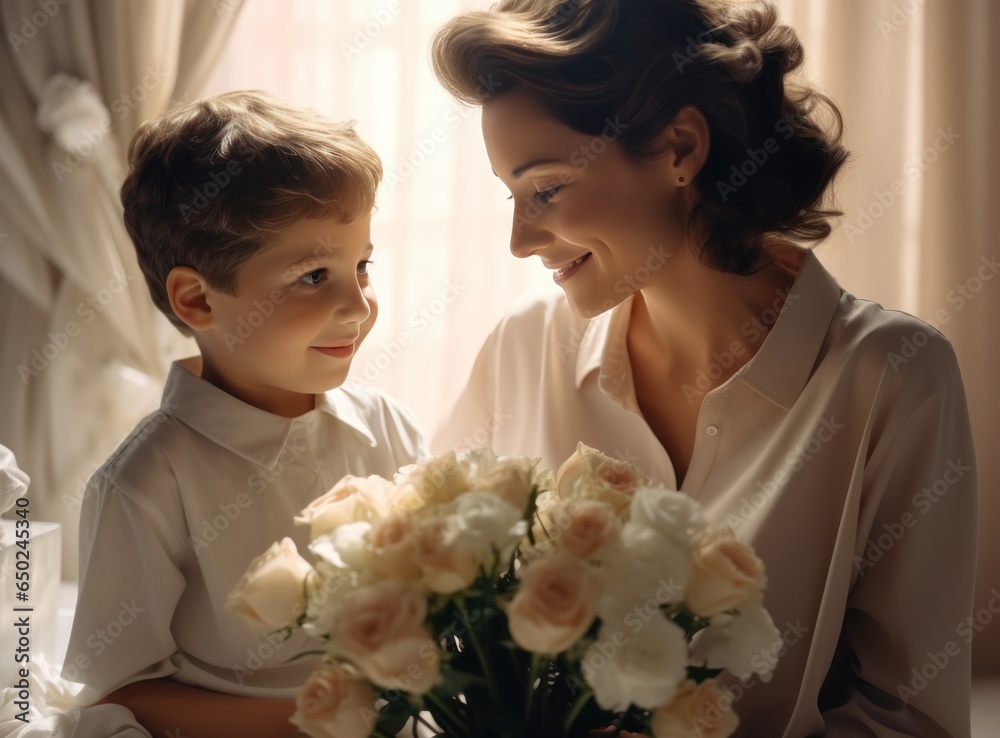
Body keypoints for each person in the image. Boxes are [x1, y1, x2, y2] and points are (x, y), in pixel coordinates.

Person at [429, 1, 977, 736]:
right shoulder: (523, 349)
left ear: (681, 147)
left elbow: (909, 719)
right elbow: (446, 621)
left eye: (548, 190)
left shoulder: (892, 376)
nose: (520, 240)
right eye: (512, 197)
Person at [59, 91, 425, 737]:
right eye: (314, 276)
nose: (358, 305)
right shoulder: (147, 482)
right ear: (197, 299)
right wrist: (316, 720)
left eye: (361, 266)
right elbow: (120, 691)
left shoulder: (389, 428)